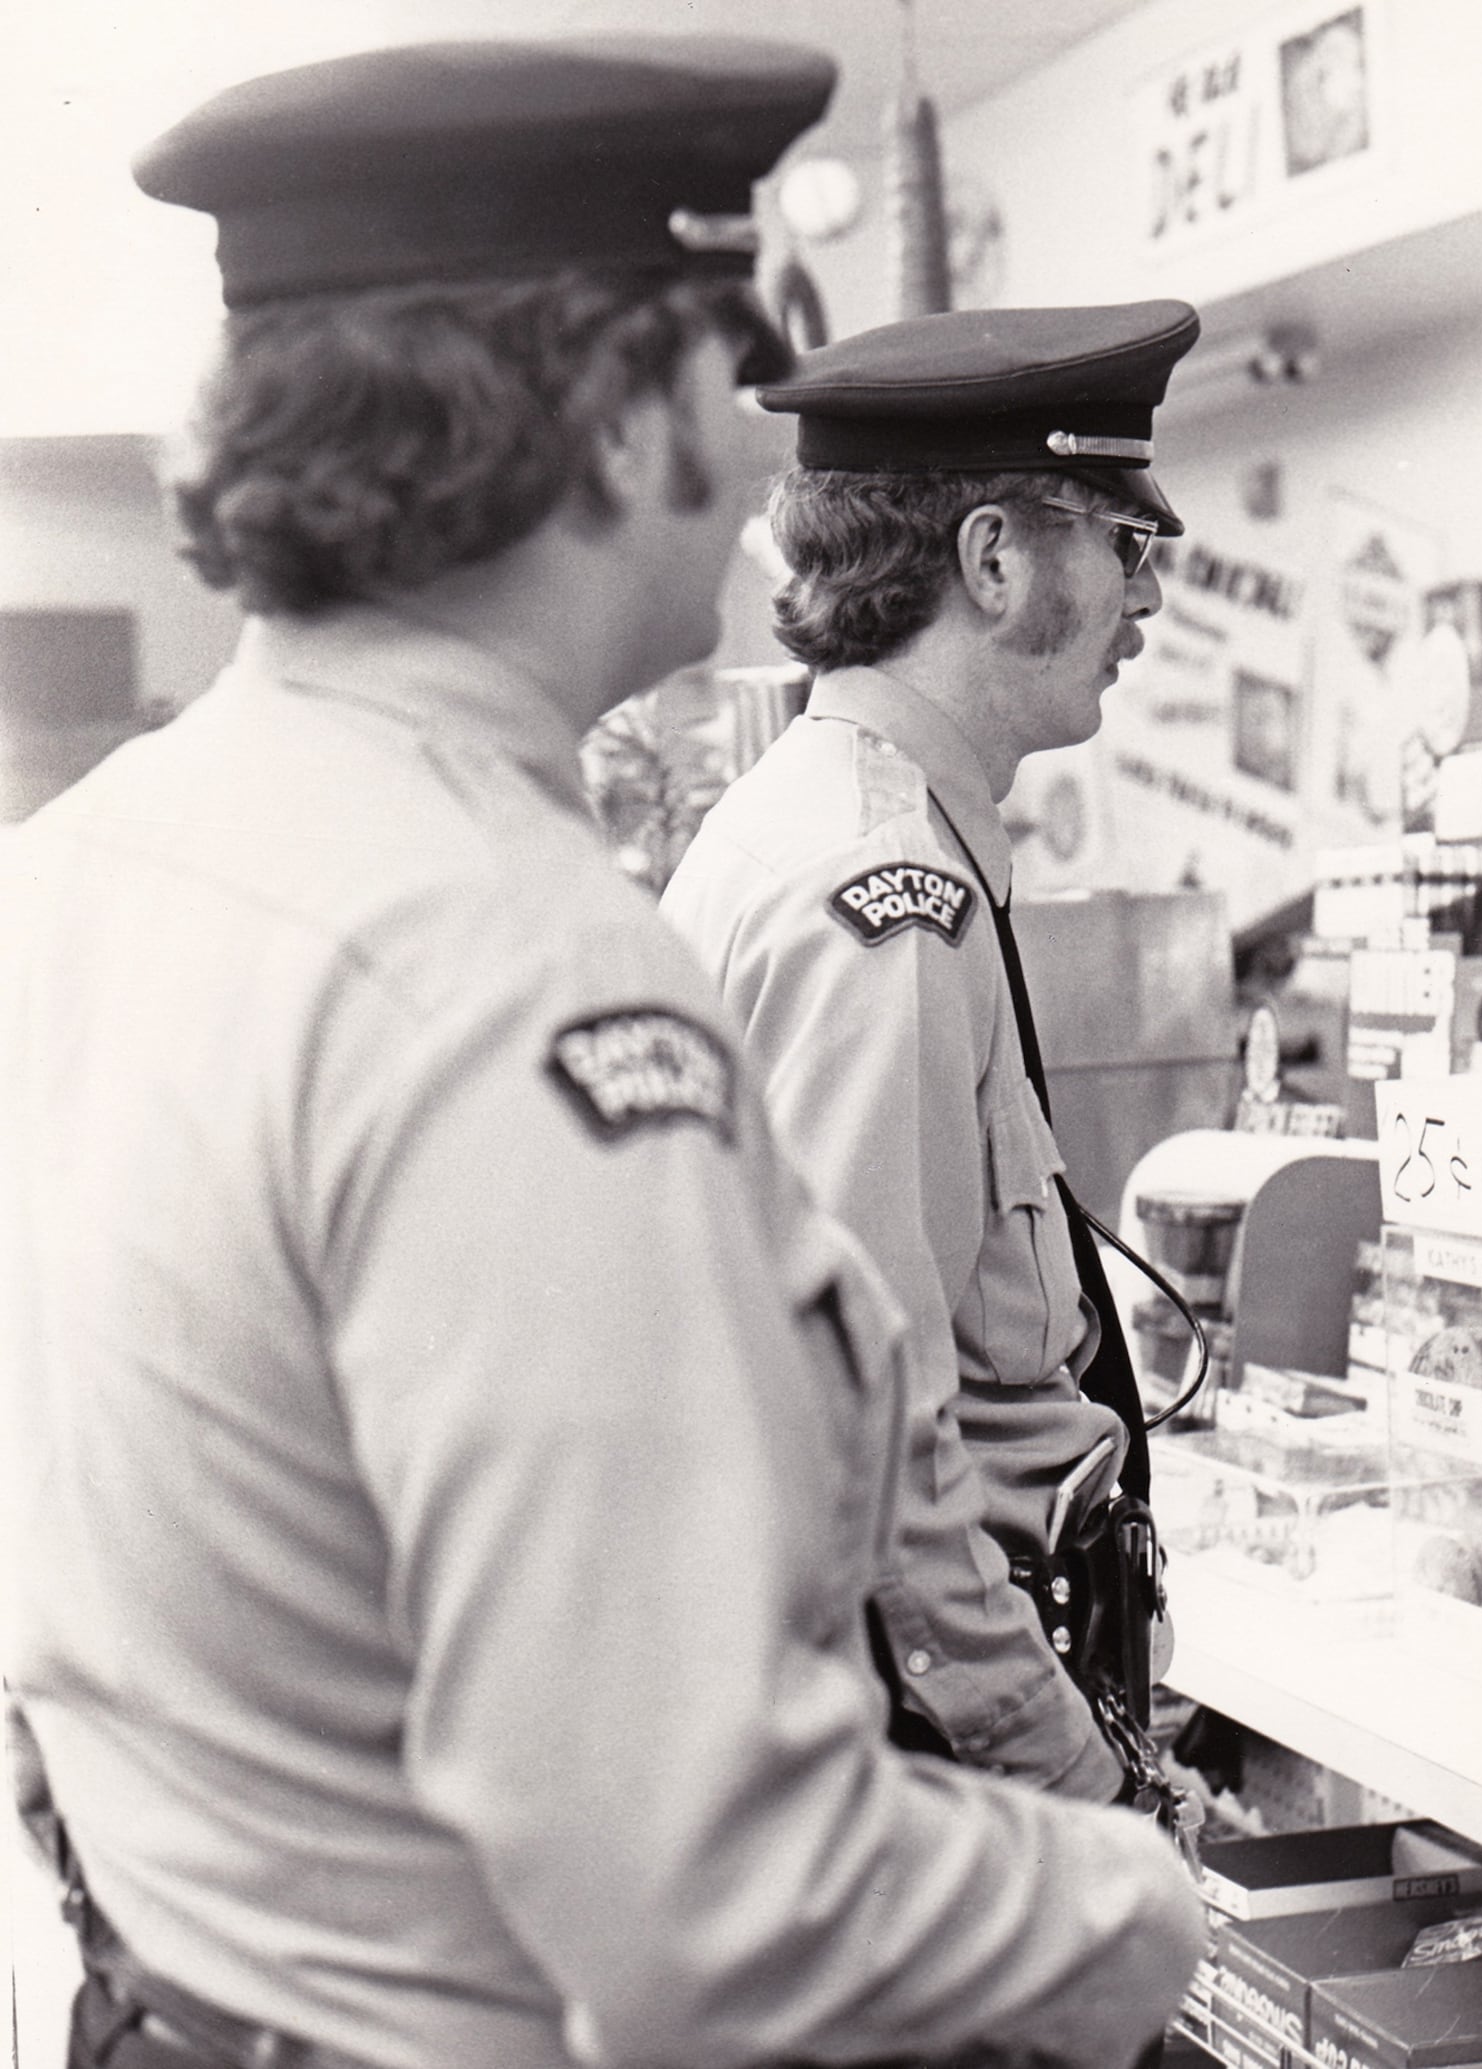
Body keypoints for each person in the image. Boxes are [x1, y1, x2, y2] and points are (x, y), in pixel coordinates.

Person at [0, 43, 1204, 2069]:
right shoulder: (506, 975)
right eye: (727, 385)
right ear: (612, 414)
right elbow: (706, 1899)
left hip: (167, 1979)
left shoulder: (85, 865)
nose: (762, 477)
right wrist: (1120, 1910)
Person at [663, 302, 1199, 1800]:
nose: (1147, 600)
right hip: (929, 1761)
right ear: (992, 560)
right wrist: (1075, 1784)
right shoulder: (877, 897)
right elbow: (870, 1443)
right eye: (1125, 543)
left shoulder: (820, 823)